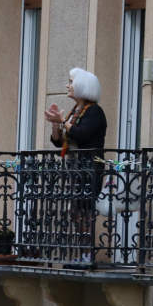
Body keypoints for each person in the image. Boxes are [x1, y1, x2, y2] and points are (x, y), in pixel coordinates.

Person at [45, 68, 108, 261]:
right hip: (76, 169)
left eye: (71, 82)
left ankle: (87, 254)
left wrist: (62, 121)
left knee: (84, 211)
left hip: (89, 169)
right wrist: (55, 124)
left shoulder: (95, 112)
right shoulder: (76, 111)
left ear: (83, 85)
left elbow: (81, 134)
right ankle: (83, 253)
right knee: (75, 211)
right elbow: (59, 142)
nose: (68, 85)